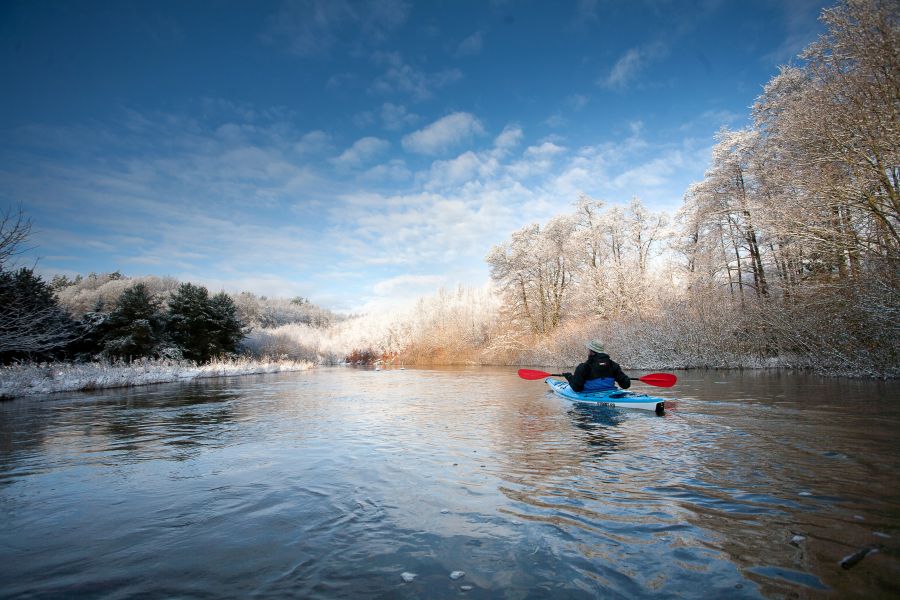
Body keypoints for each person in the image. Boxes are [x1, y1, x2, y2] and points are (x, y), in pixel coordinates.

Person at [562, 340, 631, 392]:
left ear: (591, 352)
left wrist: (570, 377)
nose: (588, 352)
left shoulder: (584, 367)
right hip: (610, 393)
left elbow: (577, 388)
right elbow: (626, 385)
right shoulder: (613, 365)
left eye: (589, 350)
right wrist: (625, 378)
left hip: (590, 397)